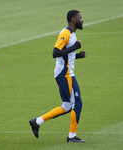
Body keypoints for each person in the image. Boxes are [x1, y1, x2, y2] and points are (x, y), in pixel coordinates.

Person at [29, 10, 86, 143]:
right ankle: (72, 137)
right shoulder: (66, 33)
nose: (82, 20)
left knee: (67, 105)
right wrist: (75, 47)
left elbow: (66, 56)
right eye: (80, 18)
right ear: (73, 19)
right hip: (65, 74)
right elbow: (55, 53)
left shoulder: (71, 34)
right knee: (77, 103)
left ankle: (37, 121)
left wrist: (78, 55)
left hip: (64, 73)